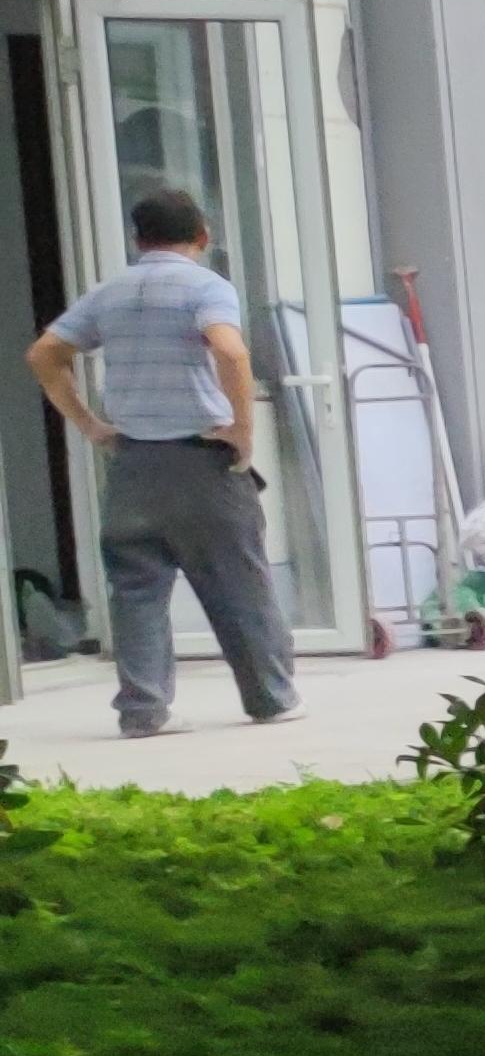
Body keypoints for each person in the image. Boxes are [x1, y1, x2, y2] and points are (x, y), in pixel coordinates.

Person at [29, 184, 298, 736]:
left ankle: (142, 710)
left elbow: (44, 354)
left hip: (132, 462)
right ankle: (270, 699)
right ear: (203, 235)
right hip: (202, 462)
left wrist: (90, 425)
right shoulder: (207, 287)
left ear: (138, 239)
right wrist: (242, 431)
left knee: (137, 592)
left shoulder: (108, 293)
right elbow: (230, 350)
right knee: (239, 585)